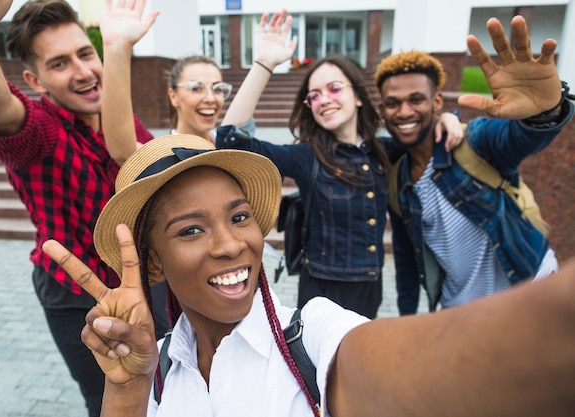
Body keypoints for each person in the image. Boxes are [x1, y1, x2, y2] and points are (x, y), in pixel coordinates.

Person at [42, 132, 575, 417]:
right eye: (190, 231)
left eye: (239, 216)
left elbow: (465, 365)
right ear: (152, 261)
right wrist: (131, 384)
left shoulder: (315, 337)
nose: (232, 245)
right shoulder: (159, 369)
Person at [0, 1, 155, 416]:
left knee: (168, 386)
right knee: (109, 401)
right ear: (35, 80)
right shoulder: (40, 131)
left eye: (84, 54)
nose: (81, 71)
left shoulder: (123, 121)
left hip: (149, 284)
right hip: (77, 295)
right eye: (59, 63)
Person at [215, 10, 463, 318]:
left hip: (370, 287)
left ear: (358, 96)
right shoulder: (307, 156)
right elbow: (229, 142)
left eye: (334, 88)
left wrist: (450, 117)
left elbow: (425, 130)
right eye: (314, 96)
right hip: (322, 289)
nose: (324, 100)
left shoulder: (386, 151)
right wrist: (264, 64)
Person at [373, 15, 574, 315]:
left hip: (530, 294)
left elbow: (519, 138)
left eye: (416, 99)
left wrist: (544, 112)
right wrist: (407, 321)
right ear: (382, 110)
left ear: (437, 101)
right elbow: (406, 259)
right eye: (393, 103)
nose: (404, 111)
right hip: (461, 312)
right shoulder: (396, 182)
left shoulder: (473, 141)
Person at [98, 0, 264, 337]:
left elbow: (237, 121)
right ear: (173, 96)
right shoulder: (159, 158)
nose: (210, 97)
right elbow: (120, 147)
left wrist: (264, 63)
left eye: (218, 88)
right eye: (196, 88)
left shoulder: (230, 149)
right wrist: (116, 50)